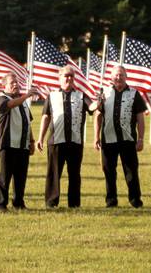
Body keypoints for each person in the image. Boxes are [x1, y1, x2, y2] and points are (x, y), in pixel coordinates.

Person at [36, 65, 97, 208]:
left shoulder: (81, 95)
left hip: (75, 141)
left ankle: (74, 203)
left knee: (75, 174)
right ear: (60, 79)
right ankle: (51, 201)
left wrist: (99, 102)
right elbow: (46, 117)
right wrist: (40, 138)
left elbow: (92, 107)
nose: (69, 78)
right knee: (53, 173)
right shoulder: (51, 96)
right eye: (66, 76)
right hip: (56, 141)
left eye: (71, 76)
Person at [94, 65, 147, 208]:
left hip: (128, 140)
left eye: (121, 75)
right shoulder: (103, 93)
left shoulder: (134, 94)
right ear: (111, 77)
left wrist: (141, 138)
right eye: (116, 75)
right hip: (108, 139)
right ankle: (111, 200)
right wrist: (96, 137)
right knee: (109, 171)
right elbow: (98, 115)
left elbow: (140, 118)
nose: (119, 78)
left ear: (126, 77)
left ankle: (135, 200)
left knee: (131, 172)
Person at [0, 72, 37, 212]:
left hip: (22, 145)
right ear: (4, 86)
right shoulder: (1, 99)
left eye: (16, 82)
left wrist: (31, 140)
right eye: (11, 83)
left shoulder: (23, 102)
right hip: (8, 144)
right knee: (5, 176)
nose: (15, 85)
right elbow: (10, 104)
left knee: (21, 176)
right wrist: (27, 95)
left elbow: (28, 122)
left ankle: (18, 203)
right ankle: (1, 204)